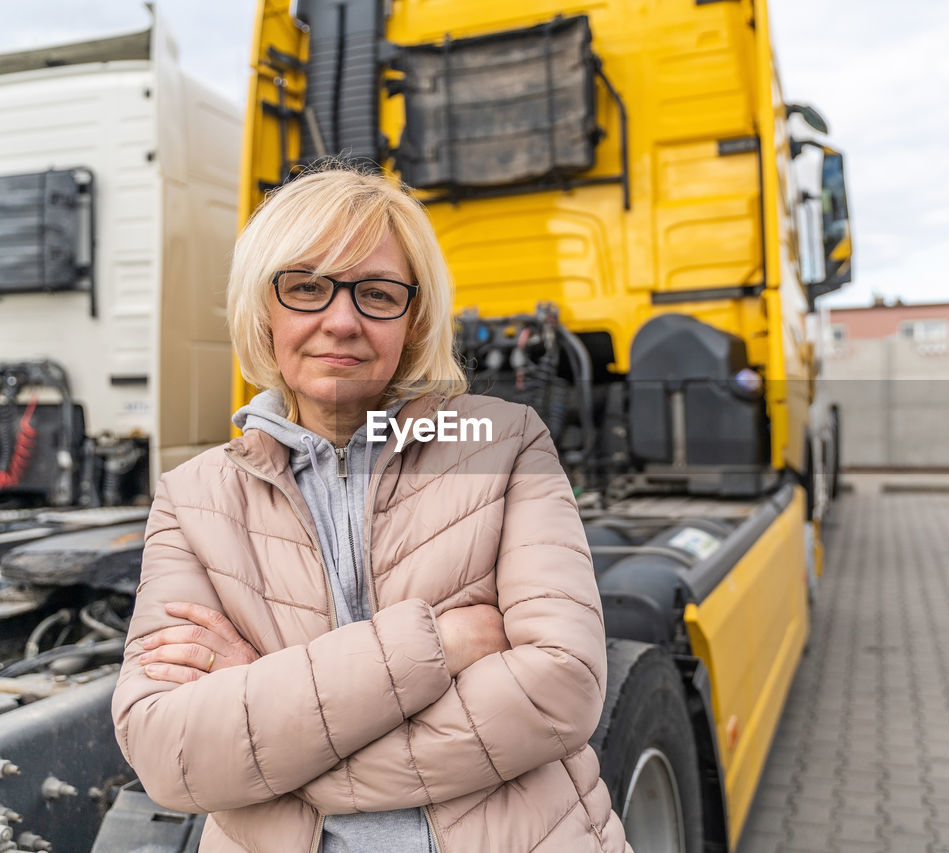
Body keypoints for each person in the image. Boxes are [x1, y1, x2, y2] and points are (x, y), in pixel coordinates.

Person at [111, 164, 630, 852]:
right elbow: (167, 750)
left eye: (378, 294)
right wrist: (437, 646)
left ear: (413, 319)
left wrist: (271, 729)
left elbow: (559, 689)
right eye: (305, 287)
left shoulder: (505, 444)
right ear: (262, 308)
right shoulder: (192, 496)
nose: (342, 320)